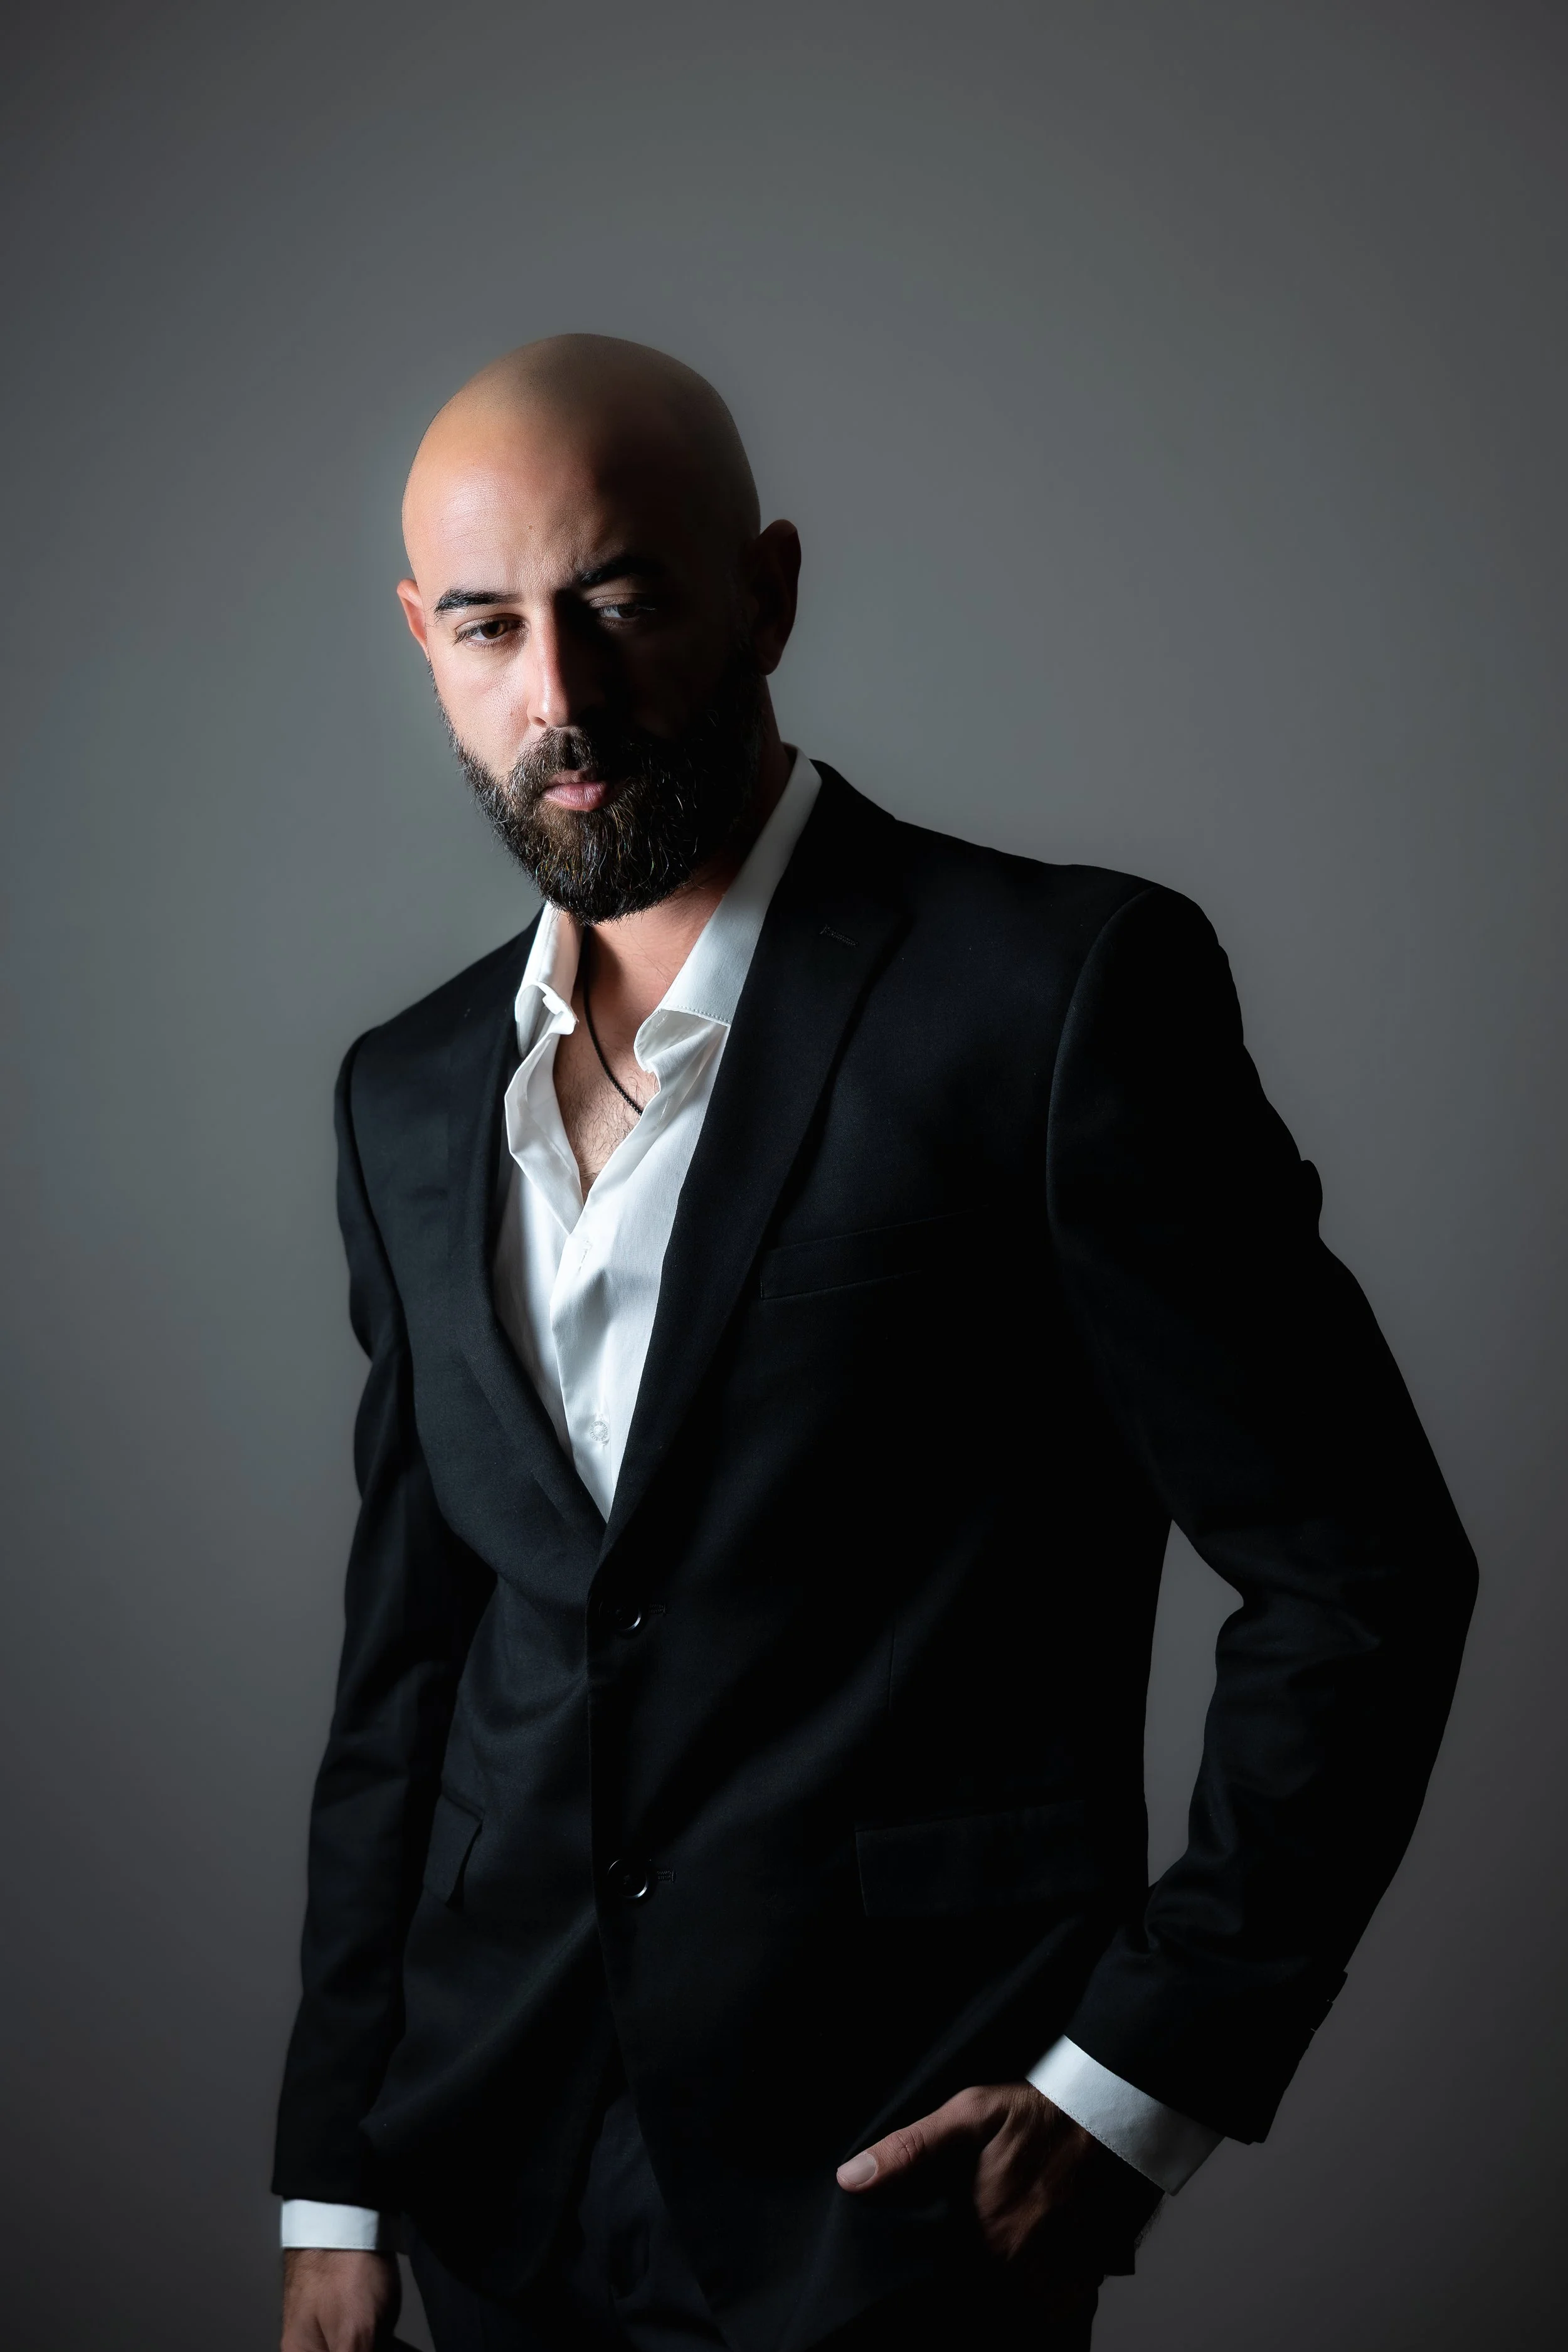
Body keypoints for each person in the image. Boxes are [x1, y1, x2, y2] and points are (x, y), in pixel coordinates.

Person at [274, 336, 1476, 2352]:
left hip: (891, 2192)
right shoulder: (403, 1095)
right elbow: (410, 1670)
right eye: (488, 628)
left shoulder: (1055, 999)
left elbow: (1361, 1574)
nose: (554, 697)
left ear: (768, 591)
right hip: (488, 2178)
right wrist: (334, 2172)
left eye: (622, 601)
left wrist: (1132, 2080)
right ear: (423, 640)